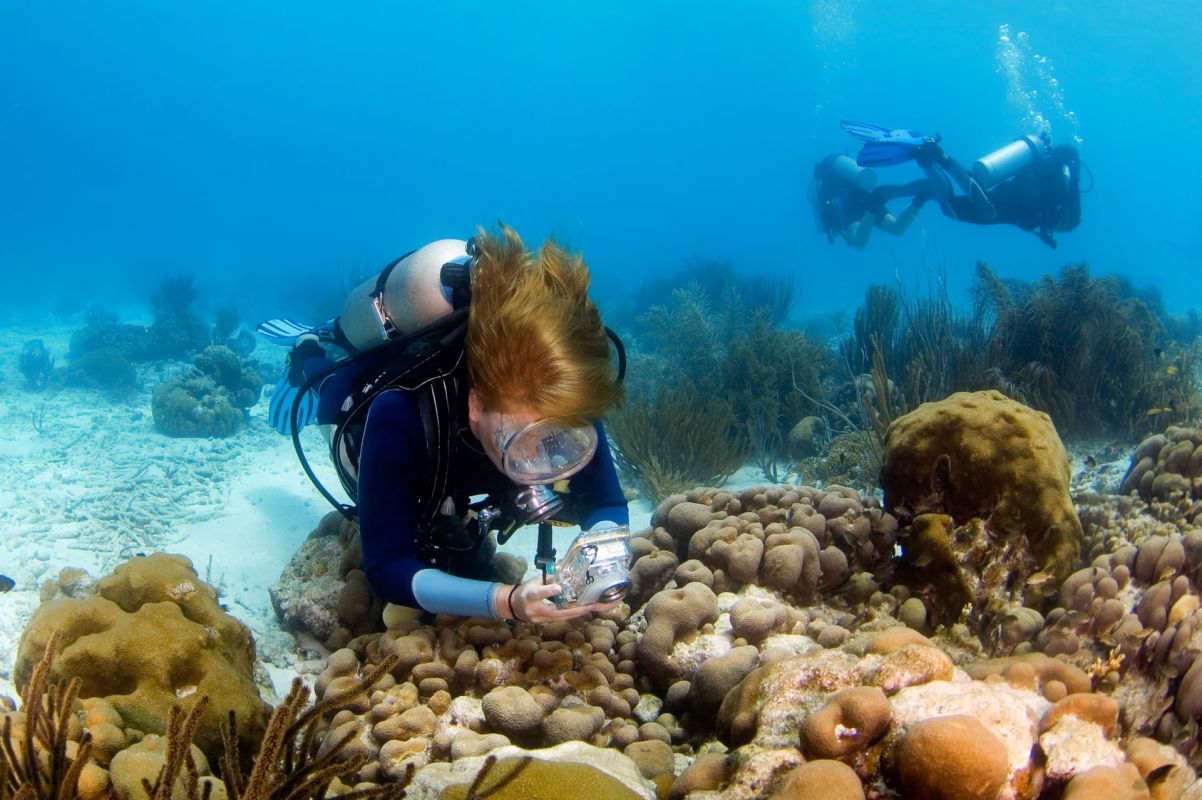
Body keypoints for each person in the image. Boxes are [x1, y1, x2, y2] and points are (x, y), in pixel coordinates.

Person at [261, 227, 630, 624]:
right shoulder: (402, 412)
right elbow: (387, 569)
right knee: (328, 385)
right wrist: (506, 601)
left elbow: (607, 502)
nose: (539, 464)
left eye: (555, 439)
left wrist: (603, 558)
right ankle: (309, 350)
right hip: (350, 408)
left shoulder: (563, 402)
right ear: (475, 406)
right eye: (520, 439)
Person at [840, 120, 1083, 248]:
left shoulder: (1054, 176)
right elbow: (1067, 219)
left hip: (1015, 195)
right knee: (981, 209)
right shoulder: (1065, 196)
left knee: (955, 207)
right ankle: (937, 157)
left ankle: (927, 162)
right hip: (1017, 202)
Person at [808, 154, 930, 249]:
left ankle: (874, 205)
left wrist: (831, 228)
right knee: (897, 228)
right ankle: (922, 197)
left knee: (859, 243)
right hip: (865, 194)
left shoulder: (817, 192)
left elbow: (821, 228)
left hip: (848, 203)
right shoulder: (834, 181)